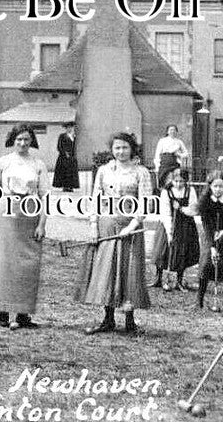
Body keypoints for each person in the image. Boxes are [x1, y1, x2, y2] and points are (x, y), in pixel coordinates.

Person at [0, 124, 48, 329]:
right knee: (3, 263)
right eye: (19, 139)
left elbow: (44, 197)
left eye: (26, 140)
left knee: (27, 265)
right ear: (12, 141)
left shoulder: (38, 164)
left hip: (29, 214)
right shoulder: (4, 162)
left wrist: (41, 224)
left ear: (32, 142)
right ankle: (3, 313)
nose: (22, 143)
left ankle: (23, 315)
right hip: (5, 213)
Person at [76, 132, 152, 335]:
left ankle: (130, 321)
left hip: (130, 228)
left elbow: (145, 203)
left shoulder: (141, 172)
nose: (121, 151)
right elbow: (95, 199)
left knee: (130, 270)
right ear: (112, 149)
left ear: (132, 149)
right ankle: (107, 319)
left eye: (125, 147)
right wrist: (93, 226)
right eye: (117, 147)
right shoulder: (103, 170)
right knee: (107, 270)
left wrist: (132, 226)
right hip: (107, 225)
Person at [187, 171, 223, 311]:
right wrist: (212, 245)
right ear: (210, 186)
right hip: (211, 237)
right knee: (206, 266)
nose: (218, 189)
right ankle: (198, 302)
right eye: (215, 186)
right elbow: (206, 223)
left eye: (221, 186)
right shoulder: (205, 201)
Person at [158, 169, 200, 291]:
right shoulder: (166, 191)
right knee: (164, 250)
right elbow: (165, 212)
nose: (178, 184)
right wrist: (169, 231)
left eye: (181, 181)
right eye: (176, 181)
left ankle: (179, 281)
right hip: (169, 223)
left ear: (186, 181)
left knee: (183, 252)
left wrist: (181, 208)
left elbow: (194, 210)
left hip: (185, 225)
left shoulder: (190, 190)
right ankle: (159, 278)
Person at [154, 124, 189, 191]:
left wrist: (179, 154)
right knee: (164, 180)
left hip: (175, 164)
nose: (172, 131)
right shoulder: (162, 141)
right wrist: (157, 167)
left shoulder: (179, 142)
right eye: (171, 130)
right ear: (167, 131)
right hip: (164, 163)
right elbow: (157, 154)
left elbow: (186, 154)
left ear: (176, 132)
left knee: (174, 180)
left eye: (174, 130)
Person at [52, 122, 80, 192]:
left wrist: (73, 155)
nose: (69, 129)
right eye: (68, 127)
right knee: (64, 171)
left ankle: (71, 186)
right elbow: (59, 146)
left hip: (72, 157)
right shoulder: (62, 136)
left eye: (71, 127)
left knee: (71, 172)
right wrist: (65, 153)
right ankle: (65, 186)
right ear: (66, 128)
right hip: (63, 157)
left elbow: (74, 147)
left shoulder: (74, 136)